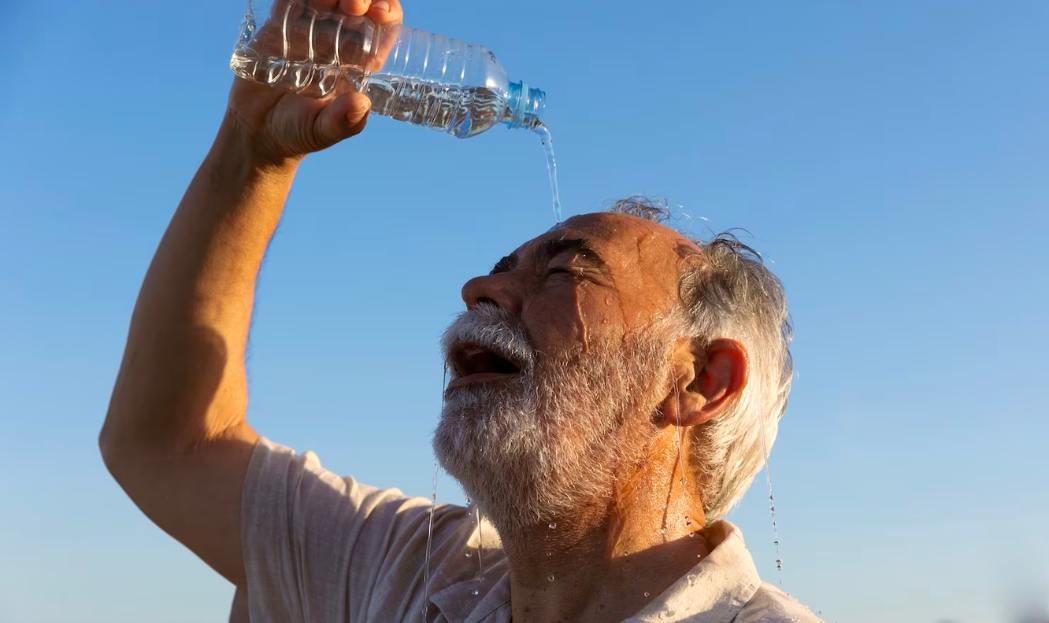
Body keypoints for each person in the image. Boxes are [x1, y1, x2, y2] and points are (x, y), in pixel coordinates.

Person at [100, 1, 823, 621]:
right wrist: (250, 153)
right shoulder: (413, 573)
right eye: (499, 268)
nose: (478, 287)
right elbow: (169, 443)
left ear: (701, 381)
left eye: (568, 268)